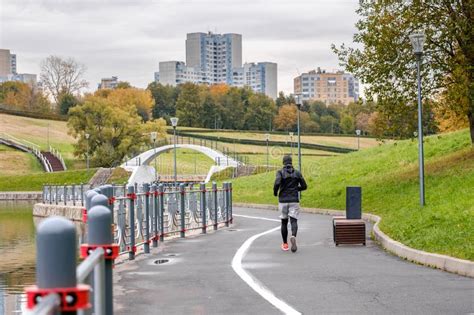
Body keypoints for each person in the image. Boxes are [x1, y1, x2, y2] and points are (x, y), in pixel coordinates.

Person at [273, 155, 307, 253]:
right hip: (294, 200)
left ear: (283, 163)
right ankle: (293, 236)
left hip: (283, 201)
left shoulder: (280, 172)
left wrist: (276, 192)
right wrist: (296, 189)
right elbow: (304, 186)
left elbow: (277, 183)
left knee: (284, 222)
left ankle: (285, 244)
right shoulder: (297, 173)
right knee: (294, 221)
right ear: (291, 162)